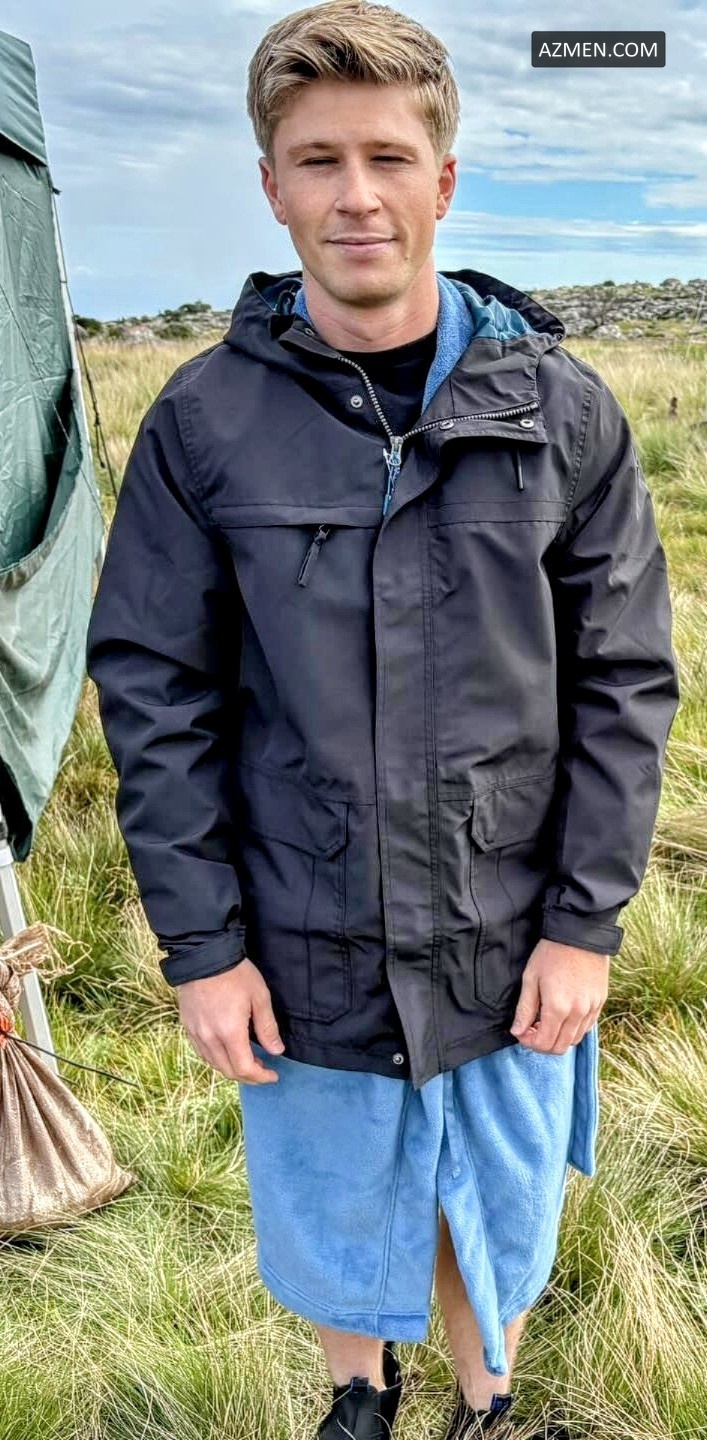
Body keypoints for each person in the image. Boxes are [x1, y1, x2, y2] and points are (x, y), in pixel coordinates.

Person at [85, 2, 680, 1436]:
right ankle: (359, 1399)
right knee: (337, 1189)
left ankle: (486, 1405)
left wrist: (586, 923)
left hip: (510, 917)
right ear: (271, 184)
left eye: (388, 157)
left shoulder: (564, 414)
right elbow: (155, 696)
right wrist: (203, 947)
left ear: (444, 179)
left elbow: (625, 683)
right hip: (299, 922)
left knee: (491, 1190)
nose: (357, 195)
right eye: (319, 160)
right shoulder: (202, 423)